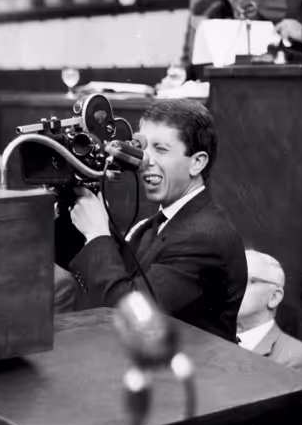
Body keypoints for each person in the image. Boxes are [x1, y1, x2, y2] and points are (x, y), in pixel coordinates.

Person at [65, 99, 247, 342]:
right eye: (142, 147)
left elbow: (131, 313)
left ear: (197, 162)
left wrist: (99, 234)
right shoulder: (156, 222)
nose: (144, 161)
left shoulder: (204, 237)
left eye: (161, 149)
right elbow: (108, 277)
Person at [237, 249, 302, 377]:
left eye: (246, 280)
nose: (232, 288)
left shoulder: (299, 358)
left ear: (274, 297)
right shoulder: (212, 339)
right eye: (231, 280)